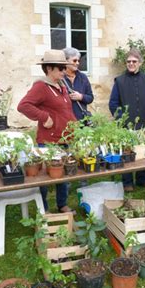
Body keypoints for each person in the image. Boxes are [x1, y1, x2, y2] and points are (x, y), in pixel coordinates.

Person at [17, 50, 77, 214]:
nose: (64, 71)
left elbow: (65, 111)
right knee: (45, 176)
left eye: (64, 68)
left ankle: (62, 204)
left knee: (62, 174)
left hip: (65, 138)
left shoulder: (62, 86)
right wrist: (44, 117)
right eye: (60, 68)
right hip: (49, 139)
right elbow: (23, 105)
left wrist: (76, 126)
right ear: (49, 68)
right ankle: (43, 208)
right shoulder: (41, 87)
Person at [108, 49, 145, 192]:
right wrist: (121, 119)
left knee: (143, 152)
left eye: (134, 61)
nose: (131, 64)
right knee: (127, 152)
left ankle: (142, 179)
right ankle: (127, 182)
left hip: (144, 122)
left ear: (140, 63)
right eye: (129, 61)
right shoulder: (119, 81)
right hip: (126, 125)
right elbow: (113, 104)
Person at [62, 47, 94, 188]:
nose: (77, 63)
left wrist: (81, 96)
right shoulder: (60, 78)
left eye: (78, 61)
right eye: (74, 60)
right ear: (66, 61)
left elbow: (90, 97)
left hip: (81, 121)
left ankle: (83, 182)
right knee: (67, 152)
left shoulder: (82, 77)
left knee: (83, 150)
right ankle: (67, 182)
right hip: (66, 122)